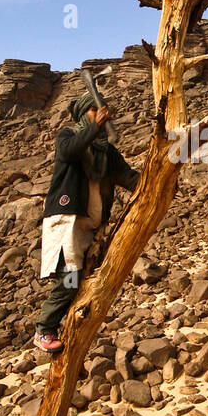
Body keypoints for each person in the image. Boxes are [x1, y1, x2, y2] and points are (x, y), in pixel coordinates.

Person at [33, 92, 140, 354]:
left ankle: (70, 348)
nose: (100, 114)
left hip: (92, 225)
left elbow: (128, 177)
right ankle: (44, 329)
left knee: (86, 284)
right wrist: (94, 127)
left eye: (101, 110)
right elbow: (70, 151)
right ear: (84, 114)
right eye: (93, 110)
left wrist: (159, 177)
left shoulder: (106, 151)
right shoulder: (68, 136)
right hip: (67, 221)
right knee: (69, 278)